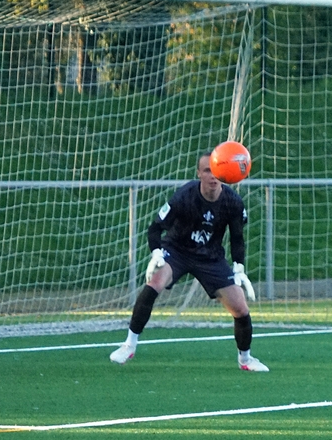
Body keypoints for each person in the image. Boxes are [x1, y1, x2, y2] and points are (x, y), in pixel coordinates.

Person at [109, 151, 265, 371]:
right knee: (155, 283)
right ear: (199, 174)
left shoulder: (233, 202)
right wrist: (156, 253)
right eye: (207, 170)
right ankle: (129, 344)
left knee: (240, 307)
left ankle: (246, 359)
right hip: (178, 251)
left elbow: (237, 238)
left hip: (210, 257)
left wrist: (238, 268)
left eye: (216, 171)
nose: (213, 176)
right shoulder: (184, 196)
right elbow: (155, 228)